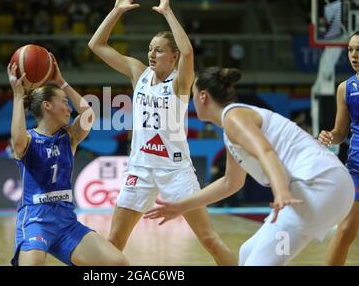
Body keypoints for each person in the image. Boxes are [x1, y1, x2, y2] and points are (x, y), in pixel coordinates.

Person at [88, 0, 236, 266]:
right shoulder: (138, 72)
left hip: (175, 170)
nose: (151, 54)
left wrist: (167, 12)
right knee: (113, 243)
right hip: (140, 168)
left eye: (158, 50)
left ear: (173, 56)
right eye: (149, 49)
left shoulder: (180, 82)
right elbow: (96, 45)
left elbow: (190, 53)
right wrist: (116, 11)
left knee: (209, 240)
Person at [144, 67, 355, 266]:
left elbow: (266, 151)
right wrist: (180, 206)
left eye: (193, 94)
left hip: (318, 186)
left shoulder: (233, 117)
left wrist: (280, 192)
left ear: (203, 96)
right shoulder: (233, 126)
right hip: (331, 188)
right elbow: (230, 184)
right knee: (246, 253)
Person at [7, 58, 128, 266]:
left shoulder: (69, 138)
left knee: (119, 264)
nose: (69, 108)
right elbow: (16, 142)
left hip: (66, 222)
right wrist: (18, 96)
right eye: (64, 102)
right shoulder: (28, 140)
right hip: (36, 220)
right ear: (47, 106)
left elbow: (88, 114)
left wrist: (61, 82)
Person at [318, 31, 359, 266]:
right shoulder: (345, 88)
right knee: (344, 231)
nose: (354, 55)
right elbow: (340, 132)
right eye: (351, 50)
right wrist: (329, 136)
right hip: (356, 168)